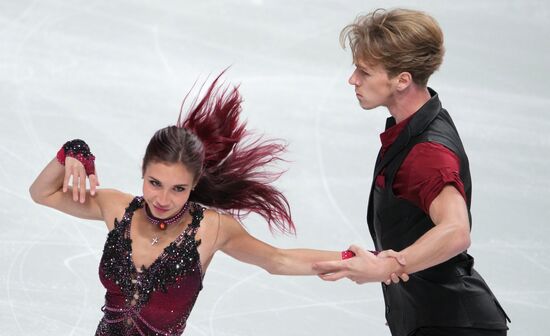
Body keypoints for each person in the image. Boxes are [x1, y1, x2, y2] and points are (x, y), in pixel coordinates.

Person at [30, 73, 404, 335]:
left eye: (177, 189)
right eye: (154, 183)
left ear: (193, 186)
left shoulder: (211, 228)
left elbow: (278, 260)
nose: (162, 199)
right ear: (142, 172)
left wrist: (357, 260)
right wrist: (70, 152)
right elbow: (42, 193)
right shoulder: (116, 208)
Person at [313, 8, 510, 336]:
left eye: (364, 71)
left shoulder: (427, 151)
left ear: (402, 79)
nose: (353, 80)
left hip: (451, 324)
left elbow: (456, 230)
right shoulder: (412, 129)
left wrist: (386, 266)